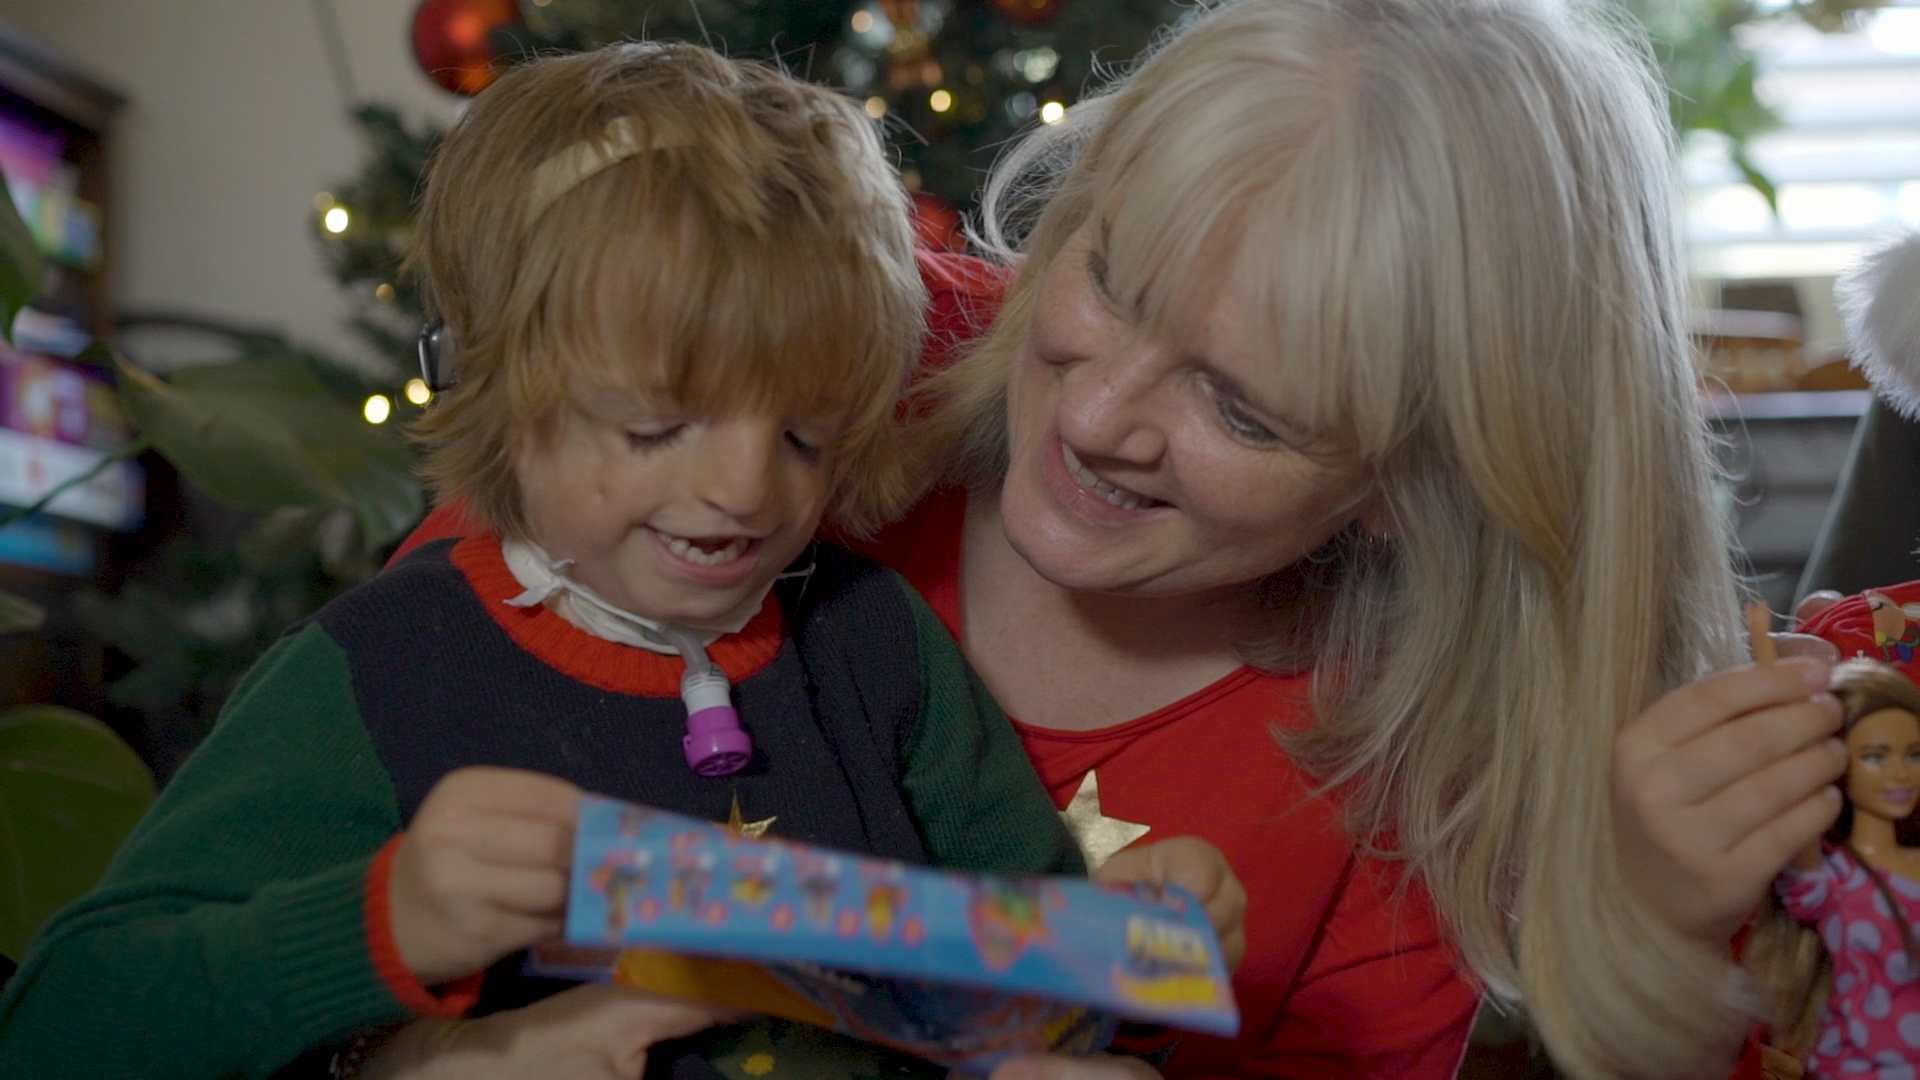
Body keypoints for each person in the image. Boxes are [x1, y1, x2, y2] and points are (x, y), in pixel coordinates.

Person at [396, 1, 1871, 1076]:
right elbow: (358, 769)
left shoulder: (1416, 802)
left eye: (1244, 407)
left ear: (1410, 480)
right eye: (1109, 275)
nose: (1097, 418)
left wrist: (1665, 934)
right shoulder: (798, 357)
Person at [0, 42, 1247, 1080]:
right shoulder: (381, 671)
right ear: (493, 385)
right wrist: (384, 919)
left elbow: (1030, 982)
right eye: (657, 426)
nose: (746, 490)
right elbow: (63, 1026)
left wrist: (1125, 949)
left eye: (808, 431)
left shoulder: (872, 643)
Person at [1766, 659, 1920, 1076]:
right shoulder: (1833, 882)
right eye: (1875, 756)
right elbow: (1797, 817)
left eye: (1914, 753)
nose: (1901, 773)